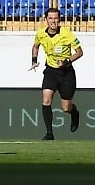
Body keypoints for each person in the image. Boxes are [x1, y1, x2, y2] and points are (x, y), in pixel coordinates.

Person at [29, 7, 82, 140]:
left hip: (66, 73)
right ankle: (49, 133)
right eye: (51, 18)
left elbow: (80, 52)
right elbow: (36, 46)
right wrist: (34, 61)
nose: (53, 21)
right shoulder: (41, 34)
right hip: (51, 71)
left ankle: (74, 113)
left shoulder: (66, 34)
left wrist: (66, 61)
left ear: (59, 19)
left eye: (56, 18)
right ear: (46, 19)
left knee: (65, 107)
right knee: (46, 100)